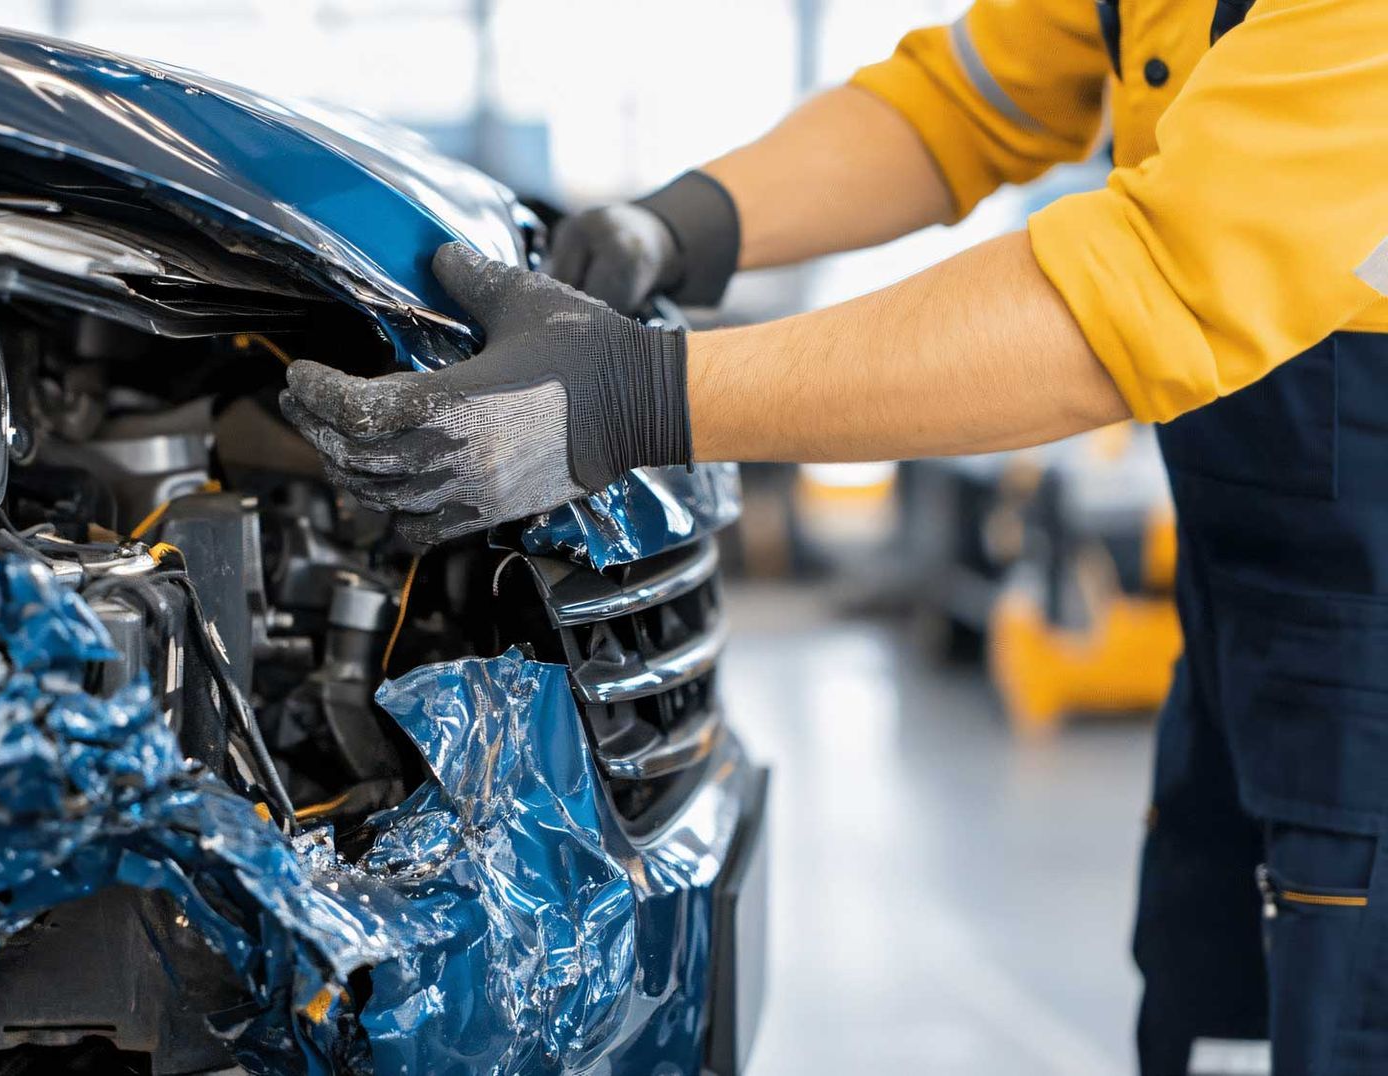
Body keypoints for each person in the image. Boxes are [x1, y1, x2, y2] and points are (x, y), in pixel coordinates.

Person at [279, 1, 1388, 1073]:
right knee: (1226, 1015)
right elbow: (960, 100)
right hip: (1259, 636)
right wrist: (677, 223)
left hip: (1366, 667)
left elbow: (1146, 288)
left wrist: (637, 394)